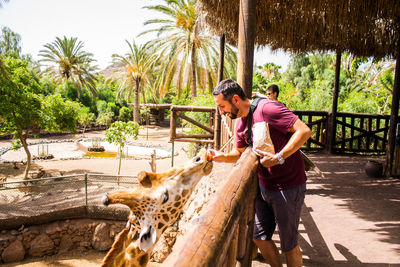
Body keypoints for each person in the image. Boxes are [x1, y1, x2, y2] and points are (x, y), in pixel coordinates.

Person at [211, 79, 311, 267]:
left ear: (235, 99)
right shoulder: (240, 123)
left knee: (288, 245)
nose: (221, 112)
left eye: (222, 106)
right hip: (264, 186)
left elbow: (304, 131)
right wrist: (222, 157)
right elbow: (238, 153)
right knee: (259, 237)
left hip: (288, 186)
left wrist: (280, 157)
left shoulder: (268, 109)